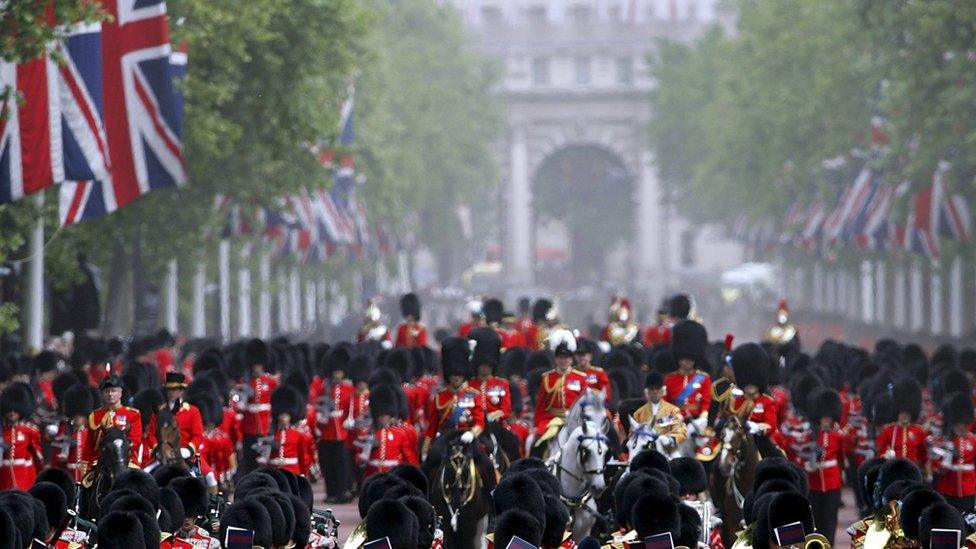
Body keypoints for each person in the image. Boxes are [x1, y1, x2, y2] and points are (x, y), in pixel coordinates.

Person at [799, 387, 846, 546]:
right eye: (823, 419)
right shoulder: (810, 435)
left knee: (830, 518)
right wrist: (807, 465)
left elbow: (841, 458)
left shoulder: (837, 436)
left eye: (828, 419)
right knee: (816, 518)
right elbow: (802, 456)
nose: (825, 421)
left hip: (832, 482)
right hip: (814, 483)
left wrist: (842, 475)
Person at [423, 337, 484, 456]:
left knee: (485, 465)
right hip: (446, 440)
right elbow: (432, 427)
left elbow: (480, 422)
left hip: (468, 439)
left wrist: (472, 433)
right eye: (453, 375)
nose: (456, 378)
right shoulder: (440, 397)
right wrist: (425, 450)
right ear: (448, 376)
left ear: (464, 375)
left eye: (459, 375)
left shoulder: (474, 395)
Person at [80, 374, 143, 481]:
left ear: (120, 393)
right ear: (102, 394)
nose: (110, 394)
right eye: (107, 391)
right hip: (99, 463)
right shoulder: (95, 416)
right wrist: (85, 467)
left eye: (113, 391)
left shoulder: (132, 414)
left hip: (126, 460)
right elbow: (89, 445)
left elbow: (135, 441)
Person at [533, 329, 588, 446]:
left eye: (566, 358)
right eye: (560, 358)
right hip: (551, 419)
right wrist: (536, 425)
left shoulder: (581, 378)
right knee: (536, 443)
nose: (563, 361)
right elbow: (541, 405)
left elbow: (586, 403)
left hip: (575, 420)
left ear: (571, 359)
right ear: (556, 359)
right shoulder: (547, 377)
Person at [314, 346, 355, 503]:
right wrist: (319, 418)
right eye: (335, 371)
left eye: (340, 371)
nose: (337, 374)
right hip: (326, 431)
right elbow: (315, 404)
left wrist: (349, 420)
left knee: (342, 464)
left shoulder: (348, 387)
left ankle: (342, 491)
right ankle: (331, 492)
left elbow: (351, 407)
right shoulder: (323, 386)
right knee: (328, 465)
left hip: (342, 432)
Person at [729, 343, 781, 458]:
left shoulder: (767, 402)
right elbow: (731, 419)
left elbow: (771, 425)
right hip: (739, 440)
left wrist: (757, 427)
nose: (750, 385)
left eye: (753, 382)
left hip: (762, 440)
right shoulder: (737, 401)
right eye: (746, 381)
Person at [236, 338, 278, 475]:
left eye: (259, 365)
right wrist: (239, 401)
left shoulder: (270, 382)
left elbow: (275, 402)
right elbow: (236, 402)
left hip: (267, 428)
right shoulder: (244, 382)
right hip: (249, 428)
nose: (256, 368)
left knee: (267, 462)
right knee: (251, 462)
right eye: (254, 365)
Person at [360, 383, 419, 477]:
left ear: (390, 416)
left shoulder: (399, 434)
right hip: (372, 475)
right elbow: (359, 454)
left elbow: (409, 458)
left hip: (393, 475)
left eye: (384, 416)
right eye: (380, 416)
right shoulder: (369, 433)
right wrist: (361, 458)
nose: (382, 419)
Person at [663, 320, 712, 431]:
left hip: (698, 424)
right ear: (679, 358)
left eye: (690, 360)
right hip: (675, 423)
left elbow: (706, 403)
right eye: (685, 359)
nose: (688, 362)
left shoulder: (704, 379)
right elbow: (665, 404)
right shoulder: (669, 379)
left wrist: (702, 419)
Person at [260, 386, 317, 477]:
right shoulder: (271, 435)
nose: (283, 418)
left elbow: (302, 457)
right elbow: (265, 456)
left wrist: (303, 473)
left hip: (293, 471)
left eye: (285, 416)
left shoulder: (298, 435)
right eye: (281, 415)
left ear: (290, 417)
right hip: (275, 472)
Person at [933, 392, 976, 512]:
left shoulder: (973, 440)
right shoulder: (944, 441)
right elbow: (936, 467)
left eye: (963, 424)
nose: (961, 427)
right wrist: (947, 457)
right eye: (958, 424)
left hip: (969, 489)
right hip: (948, 489)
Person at [875, 378, 928, 467]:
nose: (905, 416)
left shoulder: (919, 431)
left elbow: (923, 457)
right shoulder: (888, 431)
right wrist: (886, 456)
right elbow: (880, 453)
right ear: (897, 412)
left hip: (912, 472)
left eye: (907, 413)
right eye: (902, 413)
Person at [0, 382, 43, 489]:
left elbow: (37, 458)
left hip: (23, 480)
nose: (12, 413)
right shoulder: (1, 430)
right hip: (3, 481)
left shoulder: (30, 431)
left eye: (16, 410)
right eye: (9, 410)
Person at [631, 371, 687, 452]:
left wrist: (668, 439)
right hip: (645, 450)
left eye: (657, 388)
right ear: (647, 392)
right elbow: (632, 435)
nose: (655, 392)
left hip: (667, 450)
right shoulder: (638, 413)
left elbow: (681, 432)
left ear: (663, 390)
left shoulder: (673, 410)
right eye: (652, 389)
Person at [50, 383, 95, 482]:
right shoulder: (63, 432)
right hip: (68, 477)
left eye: (81, 415)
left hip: (87, 477)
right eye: (75, 415)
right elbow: (55, 461)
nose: (77, 418)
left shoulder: (91, 433)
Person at [468, 327, 511, 426]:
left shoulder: (502, 384)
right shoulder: (469, 385)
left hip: (495, 425)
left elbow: (506, 410)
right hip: (473, 425)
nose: (484, 368)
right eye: (482, 365)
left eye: (488, 366)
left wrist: (493, 416)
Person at [164, 373, 205, 455]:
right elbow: (151, 434)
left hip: (186, 454)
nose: (171, 393)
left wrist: (189, 450)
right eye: (169, 389)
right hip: (163, 454)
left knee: (203, 468)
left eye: (174, 390)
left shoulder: (193, 411)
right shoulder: (160, 410)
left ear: (181, 391)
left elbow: (197, 436)